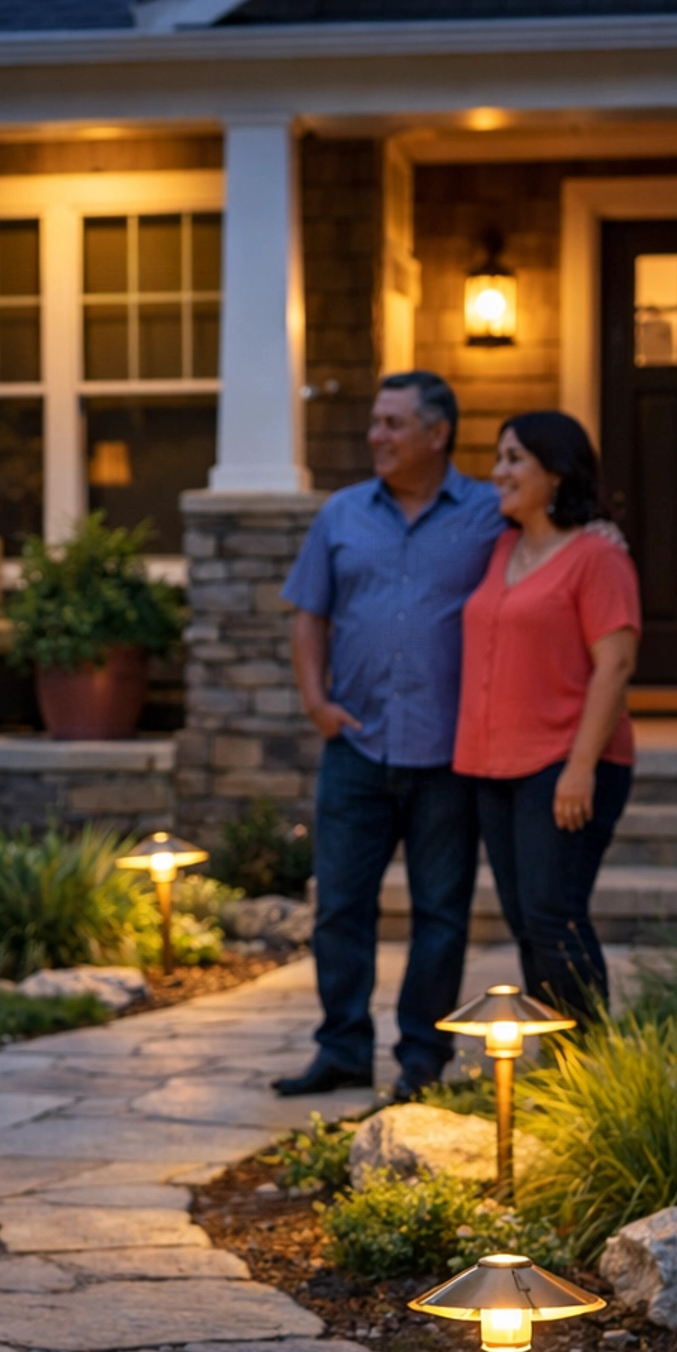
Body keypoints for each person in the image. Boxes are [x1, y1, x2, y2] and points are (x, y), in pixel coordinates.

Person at [272, 371, 506, 1100]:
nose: (375, 435)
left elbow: (548, 562)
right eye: (376, 421)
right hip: (357, 745)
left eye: (392, 423)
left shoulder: (491, 514)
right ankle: (341, 1048)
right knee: (341, 907)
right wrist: (316, 701)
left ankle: (421, 1057)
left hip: (449, 753)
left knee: (441, 913)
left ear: (438, 433)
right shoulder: (341, 514)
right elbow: (308, 613)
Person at [453, 411, 639, 1018]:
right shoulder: (503, 546)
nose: (497, 473)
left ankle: (591, 1058)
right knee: (527, 922)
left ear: (555, 472)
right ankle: (559, 1057)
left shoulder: (598, 556)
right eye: (498, 457)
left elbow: (615, 664)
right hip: (493, 766)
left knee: (554, 915)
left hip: (565, 764)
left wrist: (580, 768)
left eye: (514, 459)